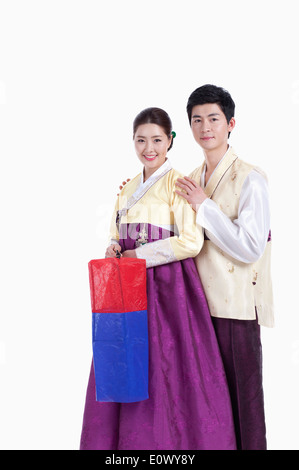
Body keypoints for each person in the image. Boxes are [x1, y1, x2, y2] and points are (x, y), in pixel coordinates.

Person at [80, 107, 237, 450]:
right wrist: (112, 247)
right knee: (121, 356)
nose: (148, 148)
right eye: (141, 140)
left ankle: (169, 442)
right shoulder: (127, 187)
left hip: (166, 288)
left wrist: (139, 256)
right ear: (133, 142)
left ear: (170, 141)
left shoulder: (179, 183)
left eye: (156, 140)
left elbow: (191, 242)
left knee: (164, 360)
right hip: (125, 287)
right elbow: (115, 230)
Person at [175, 84, 274, 450]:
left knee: (244, 407)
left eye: (213, 118)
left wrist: (204, 206)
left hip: (235, 310)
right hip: (196, 308)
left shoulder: (251, 178)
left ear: (230, 124)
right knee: (204, 407)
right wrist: (131, 195)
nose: (206, 127)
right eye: (197, 120)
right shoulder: (190, 179)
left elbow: (249, 248)